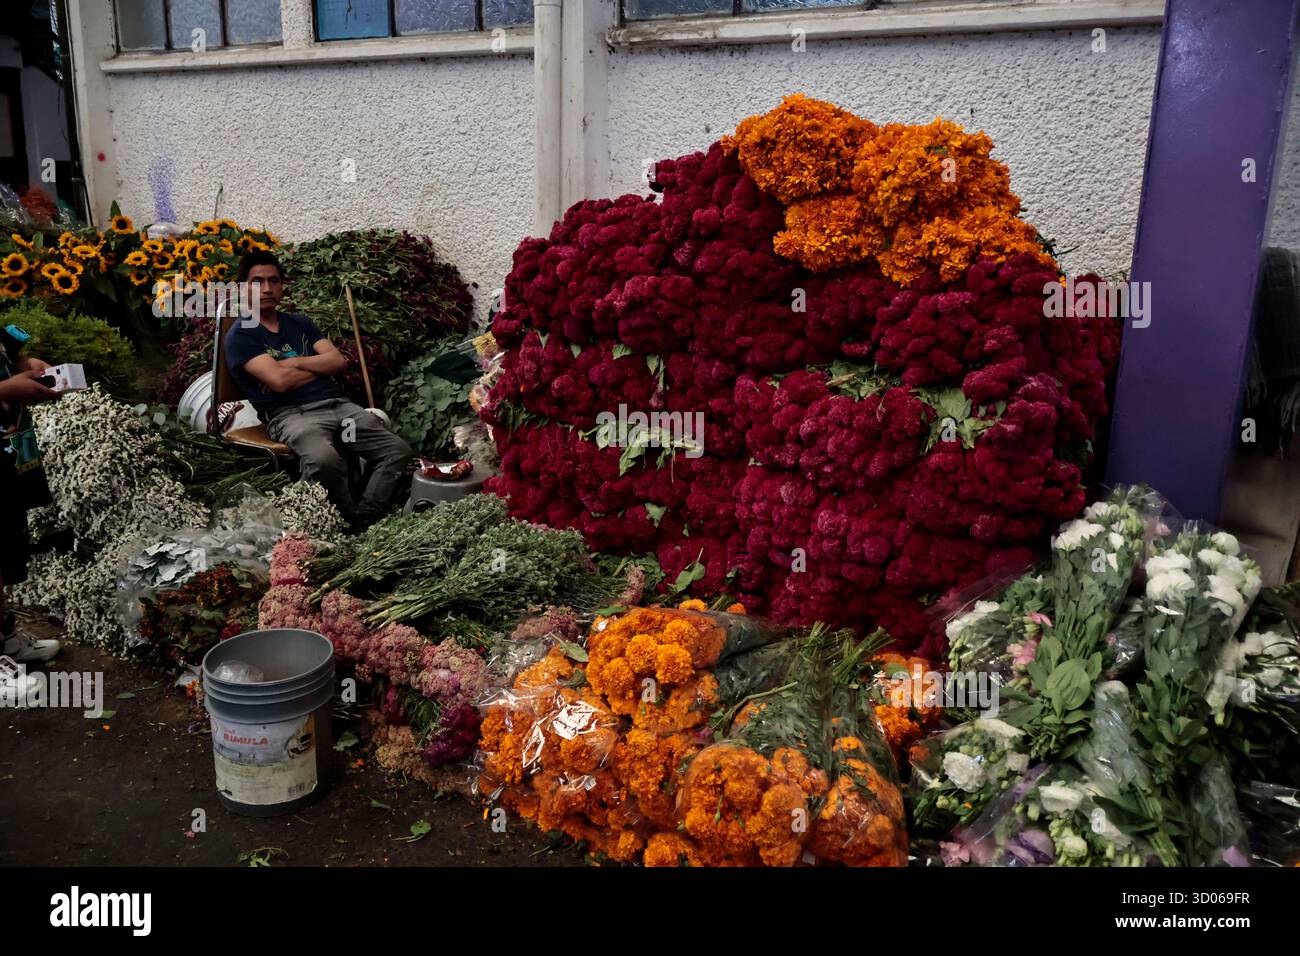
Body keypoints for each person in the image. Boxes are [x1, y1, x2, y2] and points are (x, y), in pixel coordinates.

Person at [225, 250, 413, 527]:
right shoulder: (241, 335)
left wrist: (293, 363)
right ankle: (340, 519)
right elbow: (279, 383)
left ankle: (366, 517)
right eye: (257, 282)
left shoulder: (300, 323)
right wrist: (313, 368)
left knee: (397, 450)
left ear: (282, 285)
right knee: (323, 460)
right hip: (292, 414)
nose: (267, 288)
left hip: (337, 405)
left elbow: (337, 361)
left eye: (274, 280)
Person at [0, 322, 62, 679]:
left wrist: (24, 366)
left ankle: (6, 640)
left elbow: (8, 354)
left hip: (8, 449)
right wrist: (7, 388)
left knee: (4, 548)